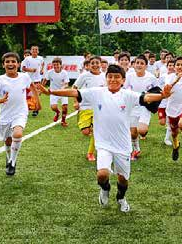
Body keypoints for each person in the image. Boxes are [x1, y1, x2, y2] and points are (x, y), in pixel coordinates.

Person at [40, 64, 169, 213]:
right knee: (102, 174)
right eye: (110, 76)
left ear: (123, 80)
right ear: (106, 78)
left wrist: (162, 96)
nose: (113, 79)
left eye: (117, 77)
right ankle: (105, 189)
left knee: (123, 179)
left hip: (122, 146)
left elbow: (145, 97)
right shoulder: (97, 93)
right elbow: (74, 92)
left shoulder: (128, 95)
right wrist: (51, 91)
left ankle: (121, 198)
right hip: (103, 144)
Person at [0, 52, 32, 176]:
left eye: (13, 61)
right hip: (5, 115)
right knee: (7, 141)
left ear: (18, 64)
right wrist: (1, 100)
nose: (10, 64)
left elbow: (31, 87)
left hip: (20, 112)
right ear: (3, 65)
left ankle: (12, 162)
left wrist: (37, 101)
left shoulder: (25, 77)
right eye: (7, 62)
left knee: (17, 134)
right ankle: (8, 157)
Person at [123, 55, 158, 160]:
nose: (139, 65)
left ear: (146, 66)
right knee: (133, 133)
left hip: (144, 107)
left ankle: (142, 130)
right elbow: (124, 90)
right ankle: (136, 149)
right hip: (132, 107)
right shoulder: (129, 76)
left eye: (142, 63)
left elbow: (157, 92)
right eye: (137, 63)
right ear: (134, 64)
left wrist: (151, 100)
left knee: (142, 131)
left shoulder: (151, 77)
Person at [74, 57, 106, 161]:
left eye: (97, 63)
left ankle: (90, 153)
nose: (95, 65)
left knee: (96, 131)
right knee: (85, 132)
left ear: (101, 64)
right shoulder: (84, 76)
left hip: (99, 108)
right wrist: (75, 101)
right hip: (85, 107)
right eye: (93, 63)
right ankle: (86, 124)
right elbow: (74, 88)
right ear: (89, 64)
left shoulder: (104, 76)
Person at [44, 57, 70, 127]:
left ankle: (63, 121)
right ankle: (58, 112)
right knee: (53, 107)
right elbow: (45, 80)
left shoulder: (64, 73)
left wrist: (62, 88)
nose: (55, 66)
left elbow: (66, 84)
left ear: (61, 65)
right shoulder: (50, 72)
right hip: (53, 92)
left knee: (65, 107)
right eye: (54, 65)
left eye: (57, 64)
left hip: (63, 92)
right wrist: (42, 88)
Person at [20, 45, 45, 117]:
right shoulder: (27, 59)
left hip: (37, 80)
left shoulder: (40, 58)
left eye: (36, 50)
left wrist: (42, 69)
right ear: (31, 51)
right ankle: (26, 108)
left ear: (38, 51)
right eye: (33, 50)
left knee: (36, 95)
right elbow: (23, 68)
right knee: (27, 95)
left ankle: (36, 110)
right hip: (28, 80)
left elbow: (43, 63)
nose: (34, 51)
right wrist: (30, 70)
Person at [157, 59, 175, 146]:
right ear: (167, 67)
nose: (171, 67)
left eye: (173, 65)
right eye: (169, 65)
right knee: (162, 122)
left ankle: (167, 139)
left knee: (169, 122)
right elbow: (158, 87)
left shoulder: (176, 77)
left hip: (171, 103)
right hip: (162, 102)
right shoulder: (163, 76)